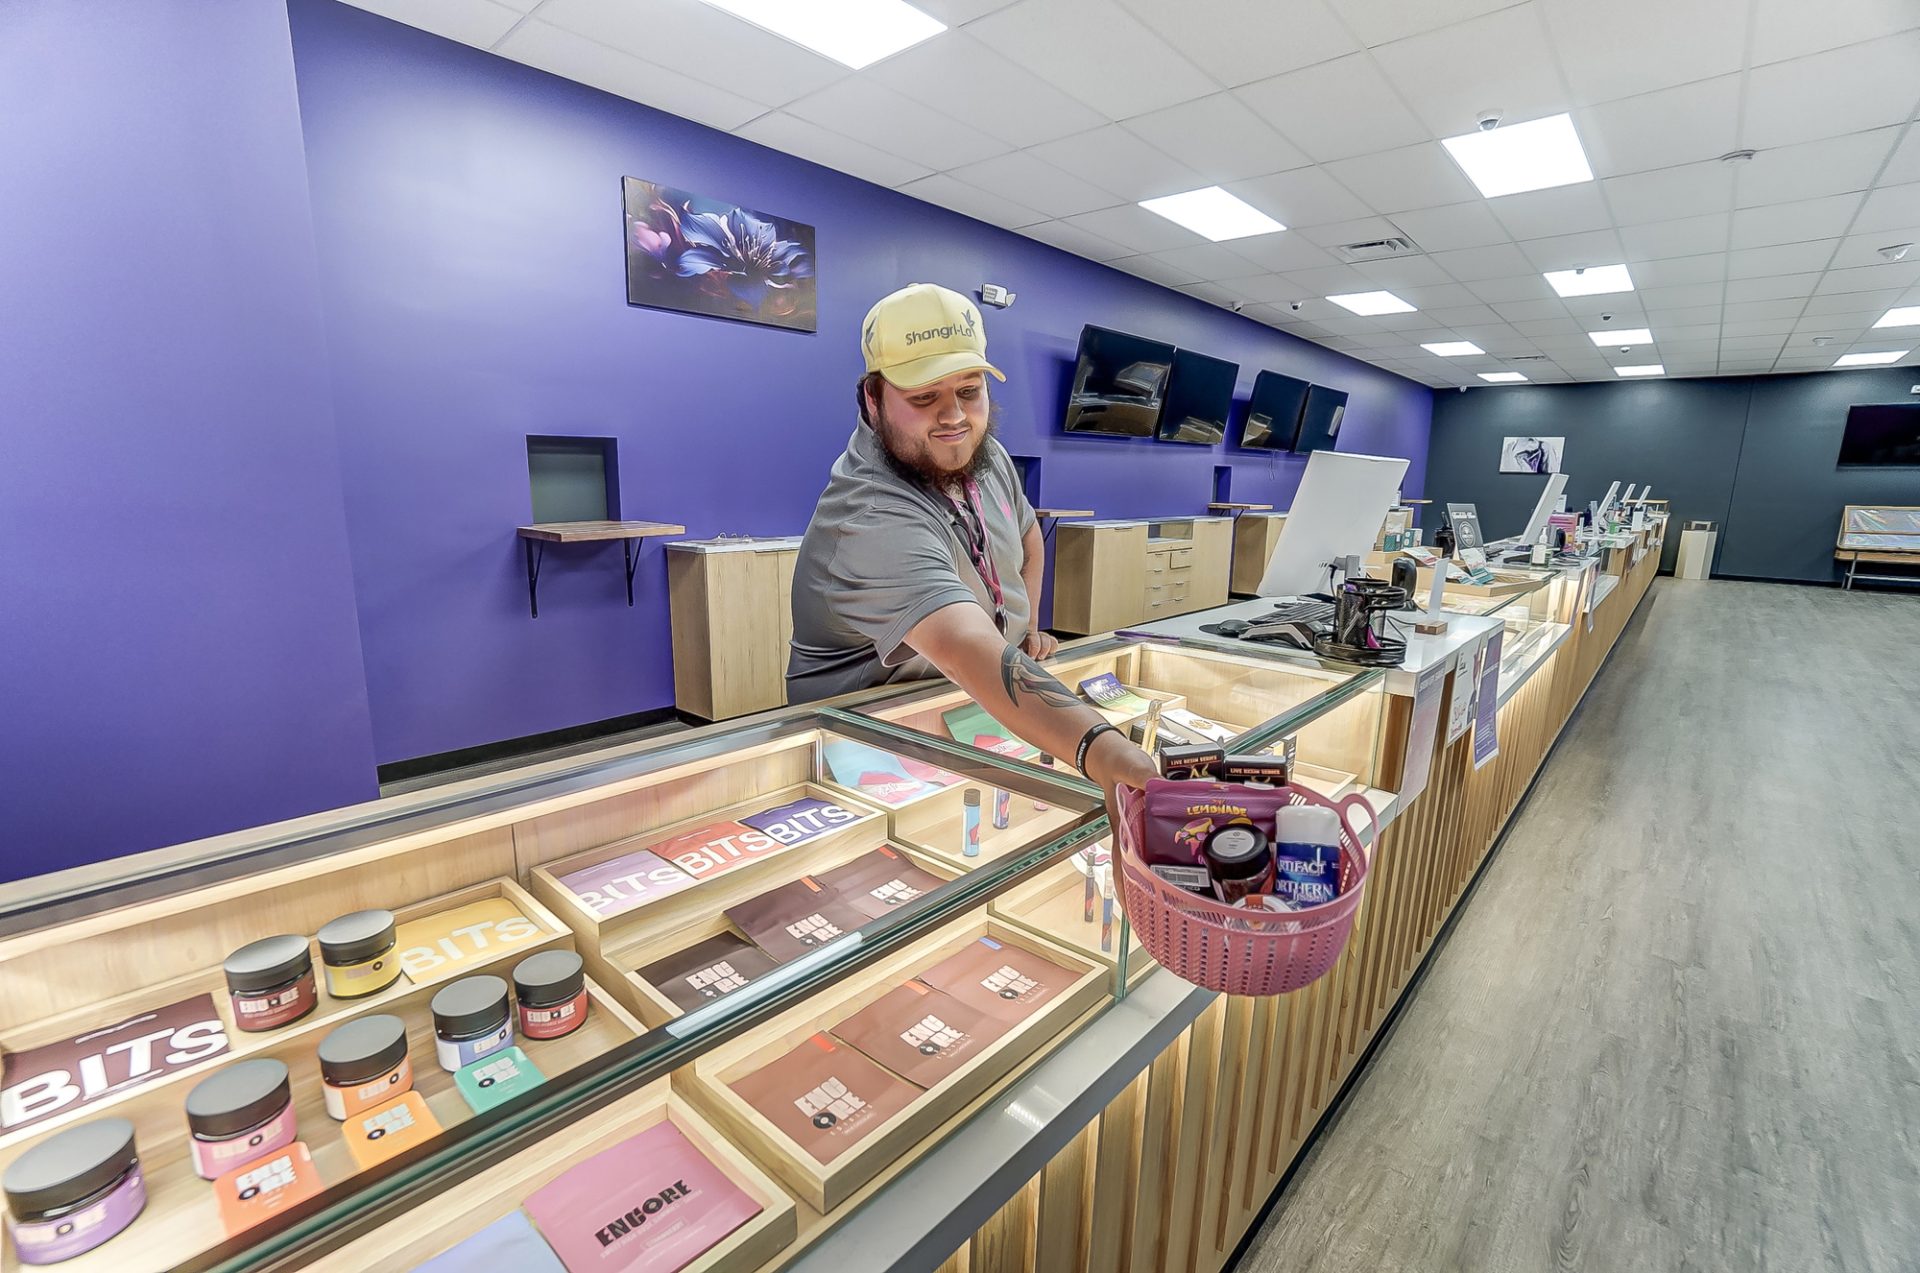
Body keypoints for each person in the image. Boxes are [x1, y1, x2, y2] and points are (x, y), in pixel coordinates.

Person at [787, 282, 1158, 812]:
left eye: (968, 390)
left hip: (964, 710)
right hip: (862, 748)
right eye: (923, 397)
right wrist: (1103, 751)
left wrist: (1023, 627)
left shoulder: (986, 455)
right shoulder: (868, 515)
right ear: (872, 398)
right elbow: (966, 648)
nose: (955, 417)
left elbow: (1028, 534)